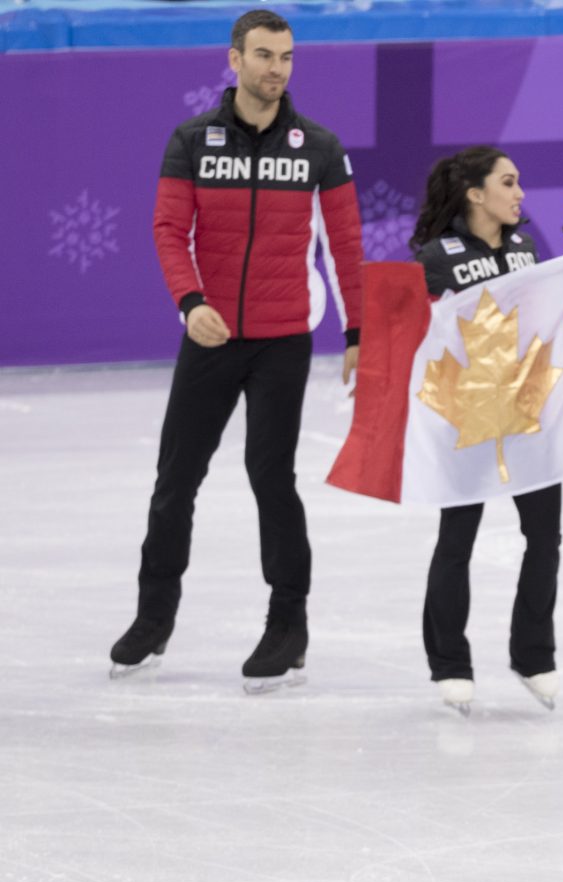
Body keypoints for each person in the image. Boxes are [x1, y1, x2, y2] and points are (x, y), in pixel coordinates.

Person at [109, 9, 364, 692]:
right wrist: (191, 304)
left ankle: (288, 625)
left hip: (283, 340)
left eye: (285, 57)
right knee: (175, 479)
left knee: (271, 479)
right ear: (233, 59)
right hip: (212, 335)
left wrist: (358, 331)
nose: (275, 69)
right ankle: (153, 617)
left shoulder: (319, 146)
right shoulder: (193, 139)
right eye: (262, 55)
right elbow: (168, 229)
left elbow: (346, 246)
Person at [408, 145, 557, 714]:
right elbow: (418, 335)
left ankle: (533, 653)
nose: (520, 195)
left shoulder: (525, 248)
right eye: (509, 183)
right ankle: (449, 662)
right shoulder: (436, 257)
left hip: (526, 415)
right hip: (468, 417)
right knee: (457, 540)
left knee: (545, 538)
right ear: (475, 194)